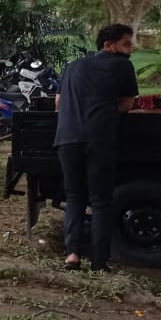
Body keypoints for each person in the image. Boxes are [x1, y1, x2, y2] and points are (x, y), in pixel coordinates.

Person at [55, 23, 139, 272]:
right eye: (126, 43)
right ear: (109, 45)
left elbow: (58, 103)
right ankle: (99, 261)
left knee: (74, 197)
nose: (130, 49)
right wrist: (105, 111)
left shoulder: (72, 66)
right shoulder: (123, 65)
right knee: (100, 200)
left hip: (66, 139)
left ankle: (72, 254)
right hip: (98, 139)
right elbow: (127, 105)